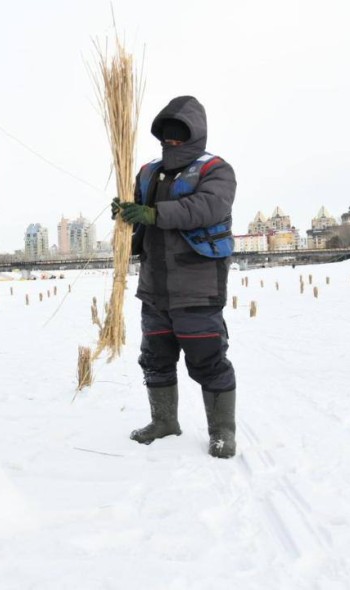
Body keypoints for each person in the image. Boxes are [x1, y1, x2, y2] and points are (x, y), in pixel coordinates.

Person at [113, 95, 238, 458]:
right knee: (155, 357)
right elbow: (139, 216)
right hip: (154, 287)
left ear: (195, 134)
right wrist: (126, 216)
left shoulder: (216, 169)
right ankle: (164, 421)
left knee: (208, 359)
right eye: (166, 134)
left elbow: (207, 207)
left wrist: (152, 214)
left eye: (178, 134)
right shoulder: (148, 172)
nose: (171, 141)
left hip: (196, 287)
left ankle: (221, 432)